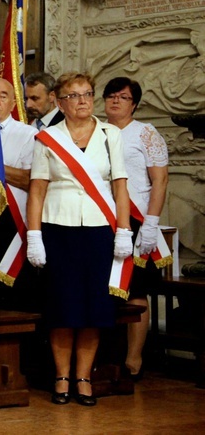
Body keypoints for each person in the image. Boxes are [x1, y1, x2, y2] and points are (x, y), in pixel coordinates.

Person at [26, 71, 132, 407]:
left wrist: (124, 231)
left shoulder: (109, 134)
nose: (83, 101)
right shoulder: (47, 138)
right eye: (74, 95)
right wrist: (34, 236)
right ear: (60, 102)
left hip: (101, 229)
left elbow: (120, 185)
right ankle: (61, 376)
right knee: (63, 306)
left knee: (94, 309)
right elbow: (37, 190)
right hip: (59, 228)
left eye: (87, 94)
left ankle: (84, 377)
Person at [104, 76, 169, 380]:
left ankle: (134, 359)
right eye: (111, 95)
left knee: (136, 290)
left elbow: (160, 180)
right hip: (101, 219)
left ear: (135, 104)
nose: (115, 101)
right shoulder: (94, 131)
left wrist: (152, 223)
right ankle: (107, 356)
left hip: (137, 218)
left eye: (123, 97)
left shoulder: (146, 133)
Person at [0, 78, 38, 309]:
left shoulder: (28, 134)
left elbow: (29, 179)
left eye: (3, 96)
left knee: (9, 297)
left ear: (13, 103)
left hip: (10, 223)